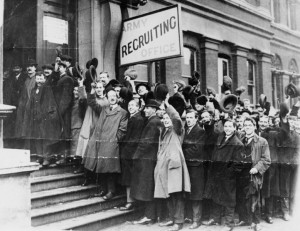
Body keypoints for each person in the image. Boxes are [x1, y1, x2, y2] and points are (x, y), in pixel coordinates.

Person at [83, 88, 128, 200]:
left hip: (111, 143)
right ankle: (103, 189)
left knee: (110, 168)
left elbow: (123, 129)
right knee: (101, 166)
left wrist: (115, 139)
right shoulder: (104, 109)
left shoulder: (122, 112)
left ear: (117, 97)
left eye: (114, 95)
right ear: (107, 98)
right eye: (109, 96)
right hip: (101, 142)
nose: (112, 98)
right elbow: (99, 125)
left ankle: (111, 191)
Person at [154, 97, 191, 231]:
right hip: (164, 167)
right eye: (164, 119)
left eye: (167, 119)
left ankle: (179, 221)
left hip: (175, 167)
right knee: (168, 193)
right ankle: (171, 218)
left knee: (177, 194)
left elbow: (176, 119)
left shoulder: (177, 130)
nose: (165, 120)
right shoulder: (163, 132)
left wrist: (167, 105)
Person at [203, 119, 243, 231]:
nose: (228, 128)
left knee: (229, 199)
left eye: (230, 126)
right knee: (216, 196)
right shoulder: (220, 137)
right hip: (216, 174)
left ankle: (229, 224)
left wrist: (228, 173)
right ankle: (215, 218)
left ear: (235, 128)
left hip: (227, 177)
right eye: (226, 126)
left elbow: (238, 164)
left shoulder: (237, 143)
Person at [131, 99, 163, 224]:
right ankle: (151, 215)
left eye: (147, 108)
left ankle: (149, 216)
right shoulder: (155, 121)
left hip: (147, 160)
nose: (145, 110)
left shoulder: (153, 122)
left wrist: (136, 155)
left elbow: (146, 142)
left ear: (154, 110)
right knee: (148, 188)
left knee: (147, 189)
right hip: (151, 159)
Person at [236, 117, 271, 231]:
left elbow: (266, 160)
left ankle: (256, 222)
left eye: (250, 125)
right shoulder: (240, 139)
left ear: (254, 126)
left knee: (254, 198)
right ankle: (245, 219)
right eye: (245, 125)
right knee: (241, 197)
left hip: (253, 174)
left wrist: (256, 168)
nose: (247, 127)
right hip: (240, 173)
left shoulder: (262, 141)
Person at [75, 81, 108, 176]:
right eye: (97, 87)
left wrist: (91, 93)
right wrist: (81, 85)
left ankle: (89, 175)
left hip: (96, 128)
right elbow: (83, 99)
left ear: (103, 88)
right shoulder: (92, 98)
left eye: (100, 87)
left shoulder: (106, 101)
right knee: (84, 150)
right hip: (87, 126)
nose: (98, 89)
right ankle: (84, 172)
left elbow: (96, 107)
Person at [182, 109, 206, 229]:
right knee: (188, 192)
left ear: (196, 119)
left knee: (196, 193)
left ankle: (197, 220)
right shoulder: (185, 130)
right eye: (187, 118)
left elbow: (197, 149)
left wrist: (181, 153)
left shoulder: (200, 131)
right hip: (187, 165)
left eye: (191, 118)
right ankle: (189, 216)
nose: (189, 120)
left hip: (196, 167)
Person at [119, 100, 145, 211]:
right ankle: (132, 201)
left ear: (138, 107)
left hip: (131, 153)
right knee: (129, 178)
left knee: (129, 178)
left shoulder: (137, 119)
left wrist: (125, 150)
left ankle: (130, 202)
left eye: (133, 105)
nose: (130, 107)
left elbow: (135, 138)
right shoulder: (134, 118)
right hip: (130, 152)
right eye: (129, 105)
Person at [52, 60, 74, 165]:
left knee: (64, 133)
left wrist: (60, 111)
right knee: (60, 133)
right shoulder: (59, 79)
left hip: (64, 112)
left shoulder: (67, 79)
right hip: (59, 110)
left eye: (61, 67)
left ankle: (64, 158)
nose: (59, 68)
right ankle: (60, 156)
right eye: (58, 66)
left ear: (65, 68)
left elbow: (66, 97)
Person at [15, 59, 38, 149]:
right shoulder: (26, 80)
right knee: (26, 130)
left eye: (31, 66)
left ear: (35, 68)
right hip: (26, 109)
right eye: (28, 66)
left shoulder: (37, 78)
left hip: (34, 108)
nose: (29, 68)